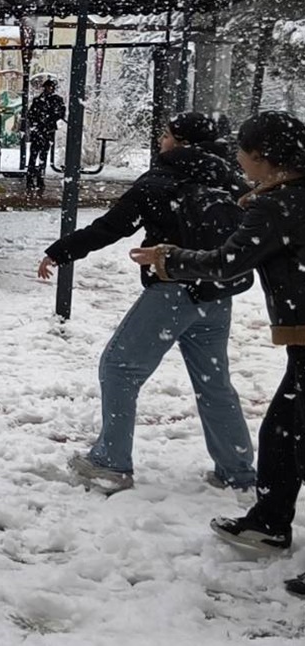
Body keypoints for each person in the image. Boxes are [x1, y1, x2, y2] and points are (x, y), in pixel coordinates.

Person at [130, 111, 305, 597]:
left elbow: (228, 263)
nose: (238, 160)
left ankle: (270, 521)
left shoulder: (279, 206)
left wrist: (170, 258)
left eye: (244, 152)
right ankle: (268, 521)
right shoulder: (287, 199)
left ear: (264, 158)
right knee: (281, 432)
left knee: (297, 438)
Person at [38, 112, 257, 495]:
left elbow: (112, 227)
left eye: (167, 134)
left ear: (182, 142)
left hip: (173, 290)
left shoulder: (162, 179)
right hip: (216, 292)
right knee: (214, 383)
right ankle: (237, 471)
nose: (162, 140)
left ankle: (111, 463)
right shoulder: (229, 178)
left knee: (119, 368)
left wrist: (60, 252)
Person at [25, 79, 66, 193]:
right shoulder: (39, 100)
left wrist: (46, 122)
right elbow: (31, 114)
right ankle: (31, 178)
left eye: (50, 87)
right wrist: (38, 123)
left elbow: (60, 114)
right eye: (47, 87)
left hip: (46, 131)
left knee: (42, 156)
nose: (48, 89)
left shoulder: (55, 100)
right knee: (34, 156)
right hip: (41, 131)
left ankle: (39, 178)